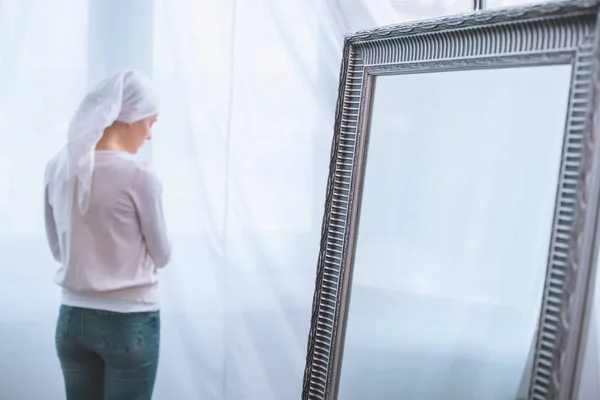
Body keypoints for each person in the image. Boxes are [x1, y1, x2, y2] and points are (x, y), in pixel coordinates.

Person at [43, 70, 171, 400]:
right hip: (129, 323)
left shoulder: (57, 166)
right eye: (150, 123)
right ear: (130, 119)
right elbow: (163, 255)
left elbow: (58, 250)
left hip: (72, 320)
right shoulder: (139, 175)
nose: (150, 136)